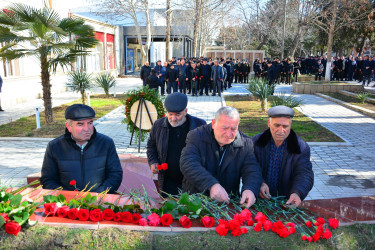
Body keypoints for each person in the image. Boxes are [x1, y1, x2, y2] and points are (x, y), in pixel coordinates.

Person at [180, 107, 263, 207]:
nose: (229, 134)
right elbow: (188, 163)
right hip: (195, 202)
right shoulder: (196, 136)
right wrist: (211, 185)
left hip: (228, 205)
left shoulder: (246, 143)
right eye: (224, 128)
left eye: (233, 129)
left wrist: (250, 189)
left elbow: (252, 170)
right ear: (214, 123)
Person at [41, 104, 123, 193]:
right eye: (80, 124)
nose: (86, 129)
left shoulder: (106, 143)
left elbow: (115, 175)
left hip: (100, 201)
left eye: (90, 123)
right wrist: (68, 197)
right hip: (67, 203)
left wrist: (97, 195)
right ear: (68, 126)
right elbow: (48, 179)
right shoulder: (54, 146)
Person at [252, 106, 314, 207]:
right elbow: (250, 168)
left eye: (285, 126)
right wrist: (260, 183)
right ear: (268, 123)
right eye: (277, 125)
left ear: (290, 125)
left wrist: (297, 193)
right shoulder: (256, 142)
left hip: (285, 202)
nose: (281, 131)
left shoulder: (301, 147)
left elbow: (304, 174)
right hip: (258, 200)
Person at [147, 93, 206, 196]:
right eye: (170, 114)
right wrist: (153, 161)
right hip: (167, 182)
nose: (173, 118)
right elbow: (151, 146)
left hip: (192, 183)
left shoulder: (200, 126)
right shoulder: (158, 125)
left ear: (185, 111)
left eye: (177, 114)